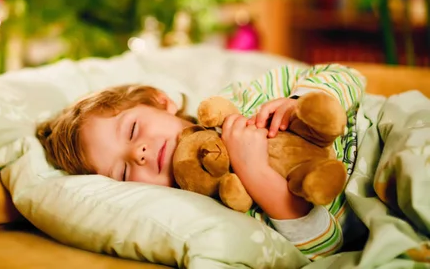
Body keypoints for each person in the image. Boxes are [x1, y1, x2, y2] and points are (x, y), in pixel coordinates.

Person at [37, 63, 366, 261]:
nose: (139, 153)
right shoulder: (219, 207)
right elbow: (326, 248)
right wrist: (255, 173)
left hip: (372, 134)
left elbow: (347, 76)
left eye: (133, 129)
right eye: (123, 171)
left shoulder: (240, 100)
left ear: (159, 101)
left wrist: (298, 103)